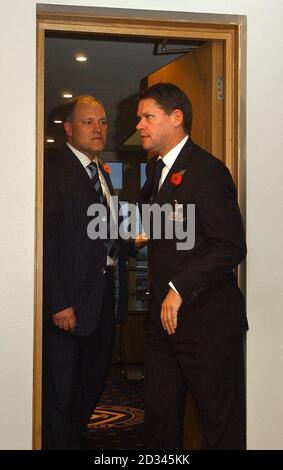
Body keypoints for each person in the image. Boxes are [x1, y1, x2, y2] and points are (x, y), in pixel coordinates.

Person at [136, 83, 248, 450]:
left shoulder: (208, 170)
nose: (140, 125)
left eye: (148, 116)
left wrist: (179, 288)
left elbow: (230, 246)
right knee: (160, 417)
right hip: (162, 324)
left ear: (176, 118)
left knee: (219, 424)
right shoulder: (155, 173)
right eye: (140, 118)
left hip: (208, 323)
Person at [42, 95, 139, 449]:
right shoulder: (53, 169)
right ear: (68, 128)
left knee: (93, 382)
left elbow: (100, 234)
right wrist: (59, 301)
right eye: (88, 122)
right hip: (68, 304)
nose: (98, 128)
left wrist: (130, 242)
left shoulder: (101, 171)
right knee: (60, 391)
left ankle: (73, 438)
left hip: (103, 297)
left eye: (102, 121)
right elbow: (47, 242)